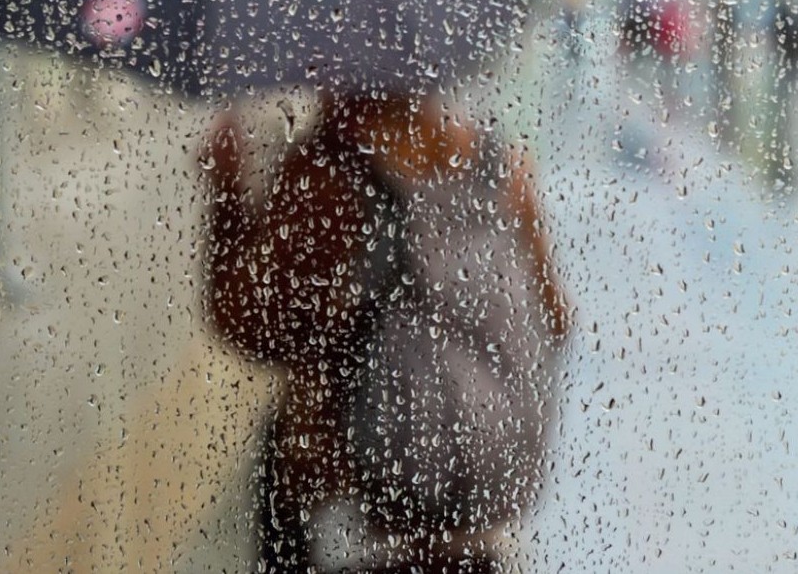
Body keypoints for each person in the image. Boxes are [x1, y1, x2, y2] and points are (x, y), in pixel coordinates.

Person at [201, 91, 570, 572]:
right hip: (475, 531)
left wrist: (226, 193)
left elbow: (252, 326)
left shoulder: (332, 172)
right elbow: (555, 323)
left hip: (349, 518)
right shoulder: (499, 164)